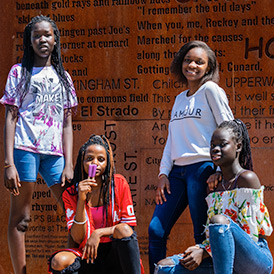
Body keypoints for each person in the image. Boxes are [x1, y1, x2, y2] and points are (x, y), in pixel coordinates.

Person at [148, 40, 234, 273]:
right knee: (156, 230)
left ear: (208, 67)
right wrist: (163, 173)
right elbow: (171, 140)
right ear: (180, 63)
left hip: (202, 169)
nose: (192, 65)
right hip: (177, 173)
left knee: (201, 233)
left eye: (199, 61)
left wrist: (219, 170)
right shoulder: (179, 98)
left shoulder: (211, 91)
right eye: (188, 60)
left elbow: (228, 130)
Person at [1, 15, 78, 274]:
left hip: (54, 154)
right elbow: (10, 118)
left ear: (55, 40)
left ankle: (70, 267)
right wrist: (9, 163)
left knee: (75, 213)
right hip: (25, 149)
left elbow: (67, 123)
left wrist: (69, 163)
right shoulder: (19, 72)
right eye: (36, 35)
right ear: (29, 41)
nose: (42, 39)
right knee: (21, 219)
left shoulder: (64, 78)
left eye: (47, 34)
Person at [155, 119, 273, 274]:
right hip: (220, 259)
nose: (215, 149)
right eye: (212, 145)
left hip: (254, 261)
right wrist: (198, 249)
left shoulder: (247, 179)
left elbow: (249, 235)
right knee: (164, 267)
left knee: (219, 221)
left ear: (238, 146)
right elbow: (213, 236)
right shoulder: (213, 187)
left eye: (222, 144)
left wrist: (204, 252)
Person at [48, 135, 143, 274]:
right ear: (82, 161)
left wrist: (98, 233)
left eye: (101, 159)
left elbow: (128, 229)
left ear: (107, 163)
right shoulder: (71, 194)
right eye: (89, 158)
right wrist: (81, 200)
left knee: (123, 230)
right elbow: (77, 237)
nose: (95, 163)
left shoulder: (119, 184)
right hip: (88, 254)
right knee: (58, 261)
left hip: (115, 254)